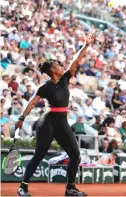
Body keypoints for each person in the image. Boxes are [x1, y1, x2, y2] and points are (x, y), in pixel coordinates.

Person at [15, 31, 95, 196]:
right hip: (47, 124)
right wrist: (22, 117)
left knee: (75, 154)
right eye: (58, 65)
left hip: (62, 123)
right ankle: (23, 187)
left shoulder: (66, 78)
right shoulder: (45, 87)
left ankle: (70, 188)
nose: (61, 66)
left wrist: (86, 45)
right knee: (39, 155)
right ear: (52, 70)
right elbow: (32, 103)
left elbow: (76, 59)